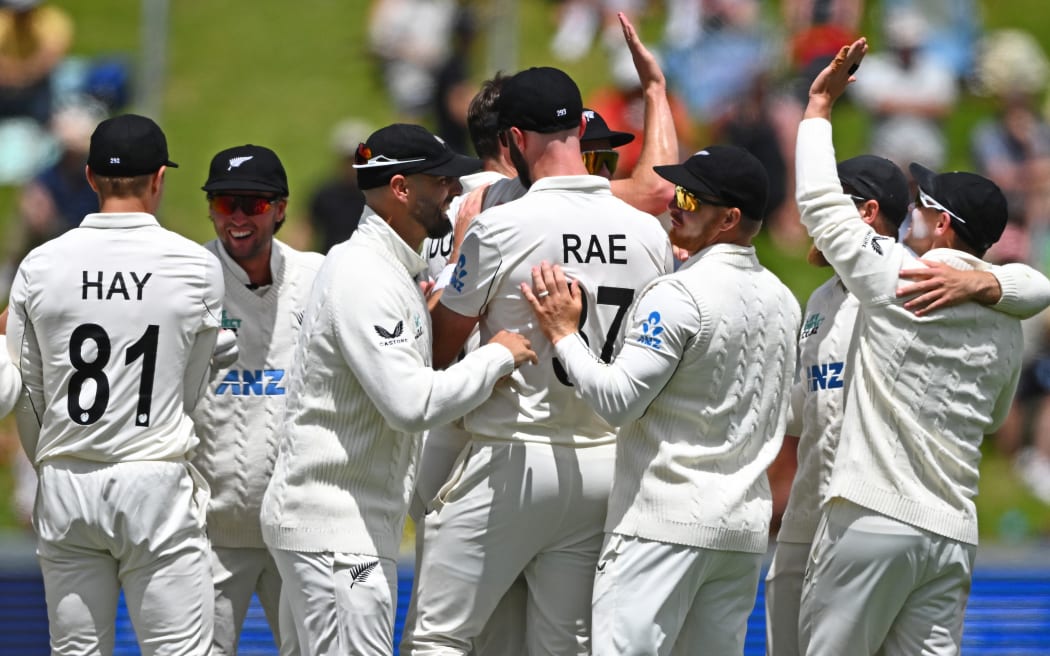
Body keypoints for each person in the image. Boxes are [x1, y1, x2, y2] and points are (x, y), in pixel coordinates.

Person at [795, 39, 1050, 655]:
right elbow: (995, 418)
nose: (912, 215)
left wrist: (819, 108)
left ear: (942, 224)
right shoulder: (1005, 317)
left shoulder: (898, 275)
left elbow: (821, 204)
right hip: (952, 532)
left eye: (924, 206)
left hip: (873, 516)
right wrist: (988, 285)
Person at [409, 65, 674, 655]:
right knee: (565, 646)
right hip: (605, 461)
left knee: (439, 637)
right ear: (581, 130)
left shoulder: (498, 227)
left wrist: (454, 262)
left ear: (513, 141)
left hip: (513, 455)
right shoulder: (647, 233)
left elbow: (439, 349)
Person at [259, 122, 537, 655]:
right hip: (338, 533)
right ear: (401, 188)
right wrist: (499, 354)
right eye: (441, 181)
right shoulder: (365, 274)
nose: (453, 191)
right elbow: (411, 403)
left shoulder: (383, 267)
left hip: (336, 524)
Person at [522, 145, 800, 656]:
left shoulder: (678, 294)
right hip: (740, 533)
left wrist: (564, 334)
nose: (674, 202)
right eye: (678, 190)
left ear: (729, 218)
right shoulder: (784, 299)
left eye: (691, 198)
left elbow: (617, 401)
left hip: (663, 525)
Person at [6, 113, 222, 655]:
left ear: (90, 177)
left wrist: (52, 460)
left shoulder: (41, 265)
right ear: (159, 179)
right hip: (155, 480)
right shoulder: (195, 266)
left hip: (67, 481)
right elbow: (191, 387)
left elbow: (29, 391)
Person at [190, 144, 323, 656]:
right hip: (212, 529)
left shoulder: (319, 277)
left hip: (297, 524)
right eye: (225, 203)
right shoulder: (188, 276)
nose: (238, 218)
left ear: (281, 208)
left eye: (255, 204)